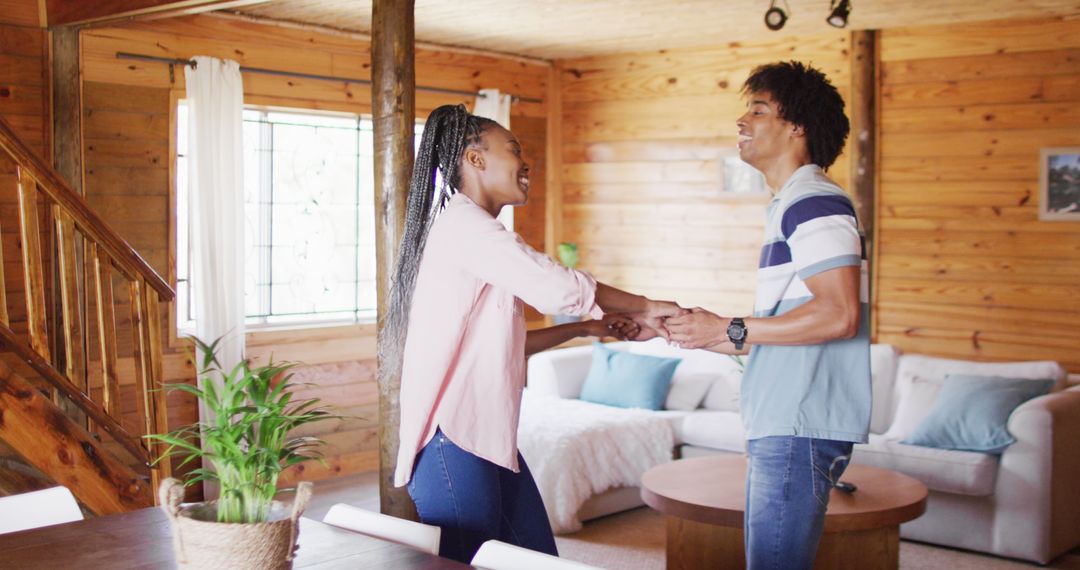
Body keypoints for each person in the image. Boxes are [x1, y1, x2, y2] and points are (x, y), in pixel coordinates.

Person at [386, 104, 679, 563]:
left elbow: (505, 346)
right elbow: (559, 286)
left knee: (537, 559)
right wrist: (648, 305)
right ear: (475, 159)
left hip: (485, 438)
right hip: (453, 440)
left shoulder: (478, 233)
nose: (526, 163)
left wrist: (587, 328)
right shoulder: (467, 227)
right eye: (514, 149)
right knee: (475, 562)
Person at [665, 61, 870, 569]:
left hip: (797, 425)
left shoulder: (814, 202)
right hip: (785, 421)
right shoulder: (793, 205)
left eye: (758, 109)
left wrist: (729, 326)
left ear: (797, 126)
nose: (742, 120)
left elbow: (838, 315)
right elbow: (779, 332)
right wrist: (684, 332)